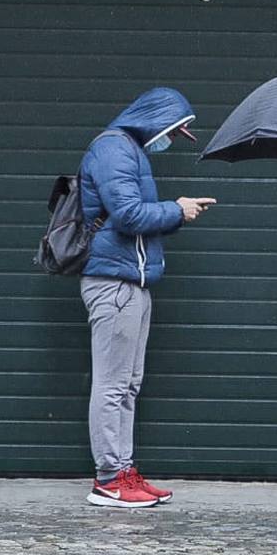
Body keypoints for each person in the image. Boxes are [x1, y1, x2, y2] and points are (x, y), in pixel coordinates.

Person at [78, 87, 216, 509]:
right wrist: (177, 210)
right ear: (154, 120)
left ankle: (125, 471)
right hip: (113, 283)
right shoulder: (114, 150)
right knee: (113, 384)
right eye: (172, 133)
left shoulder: (129, 151)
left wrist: (177, 211)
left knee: (129, 385)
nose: (170, 141)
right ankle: (109, 479)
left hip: (131, 283)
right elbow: (128, 215)